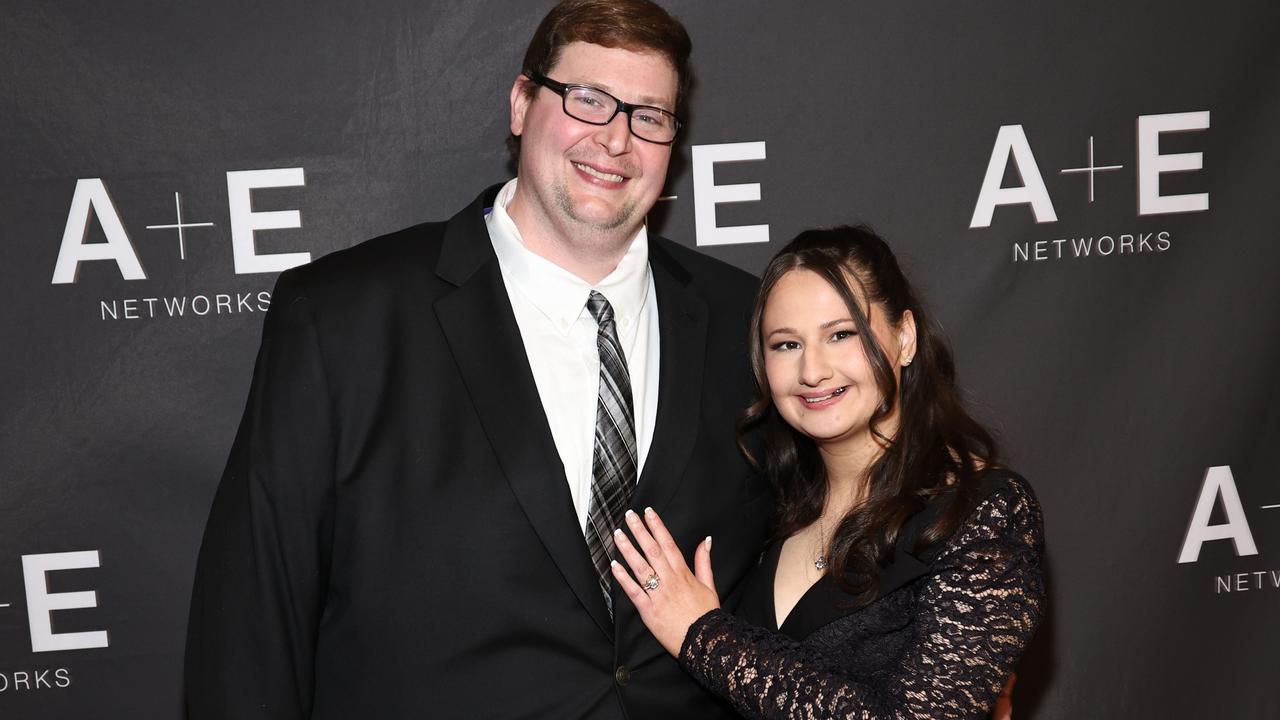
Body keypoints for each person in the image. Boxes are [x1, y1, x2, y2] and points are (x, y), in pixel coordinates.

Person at [183, 2, 773, 718]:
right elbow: (252, 620)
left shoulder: (753, 324)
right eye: (587, 100)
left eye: (649, 116)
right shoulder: (343, 316)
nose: (616, 139)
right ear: (523, 104)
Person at [610, 226, 1045, 719]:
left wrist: (702, 634)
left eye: (842, 334)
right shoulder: (769, 506)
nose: (812, 370)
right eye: (785, 345)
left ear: (904, 338)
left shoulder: (983, 511)